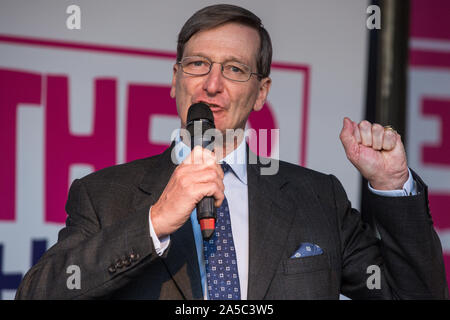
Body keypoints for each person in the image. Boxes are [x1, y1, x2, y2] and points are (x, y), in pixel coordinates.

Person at [16, 4, 448, 300]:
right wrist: (154, 223)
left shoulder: (319, 198)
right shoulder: (103, 194)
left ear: (262, 93)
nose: (212, 84)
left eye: (235, 69)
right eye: (197, 64)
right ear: (175, 80)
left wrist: (392, 186)